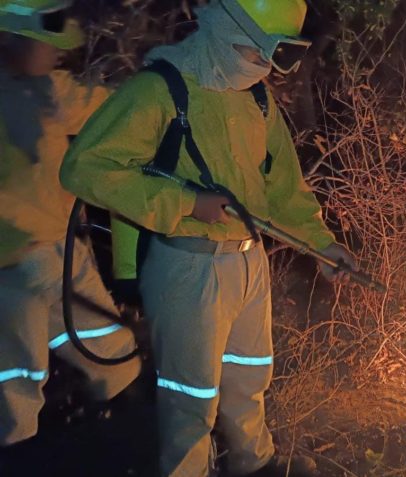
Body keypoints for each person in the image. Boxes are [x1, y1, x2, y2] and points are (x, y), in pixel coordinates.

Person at [60, 0, 355, 475]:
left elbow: (284, 187)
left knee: (248, 378)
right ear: (222, 26)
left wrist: (319, 244)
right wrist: (185, 205)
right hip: (187, 267)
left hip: (248, 263)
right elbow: (86, 168)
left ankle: (252, 464)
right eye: (252, 52)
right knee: (190, 394)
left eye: (269, 57)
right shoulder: (158, 91)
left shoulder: (257, 98)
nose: (260, 67)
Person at [0, 0, 141, 447]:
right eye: (48, 42)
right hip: (10, 269)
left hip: (59, 258)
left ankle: (121, 444)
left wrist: (158, 94)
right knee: (16, 385)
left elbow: (109, 107)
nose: (59, 52)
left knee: (116, 356)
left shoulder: (48, 90)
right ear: (11, 35)